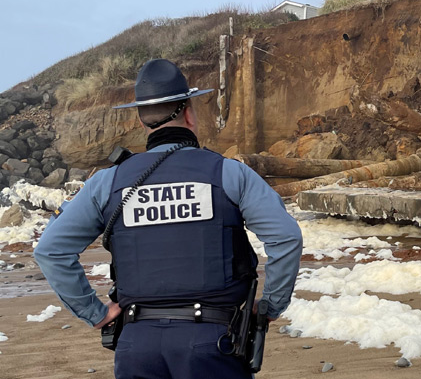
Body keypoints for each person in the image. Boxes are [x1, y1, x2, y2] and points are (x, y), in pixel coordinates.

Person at [35, 58, 303, 379]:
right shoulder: (228, 173)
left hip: (136, 346)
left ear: (141, 119)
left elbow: (50, 250)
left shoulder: (107, 182)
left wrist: (93, 312)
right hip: (213, 343)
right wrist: (271, 306)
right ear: (189, 111)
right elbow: (285, 237)